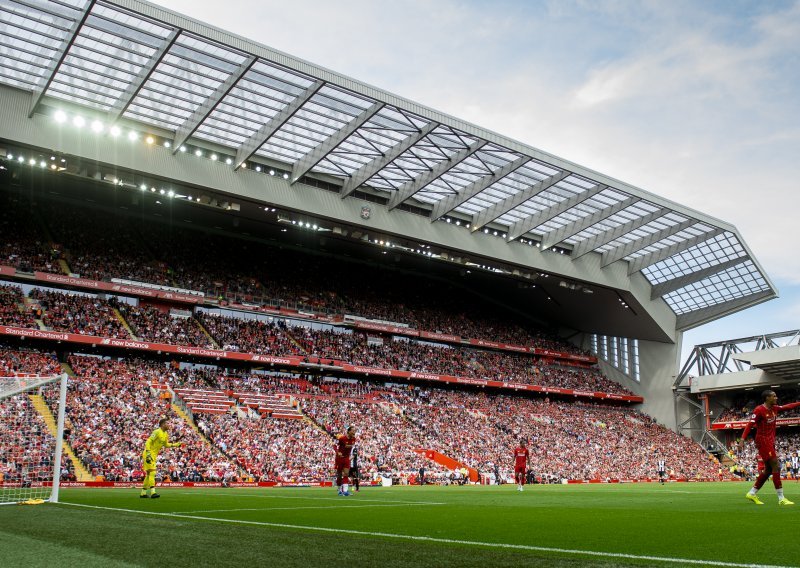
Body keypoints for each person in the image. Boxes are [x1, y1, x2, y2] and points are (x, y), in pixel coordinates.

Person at [738, 390, 800, 505]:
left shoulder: (774, 408)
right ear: (767, 398)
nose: (776, 398)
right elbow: (749, 425)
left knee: (768, 470)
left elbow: (787, 406)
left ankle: (751, 493)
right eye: (774, 396)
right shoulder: (759, 410)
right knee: (776, 465)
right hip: (762, 441)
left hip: (770, 441)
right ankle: (781, 498)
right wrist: (742, 440)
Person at [141, 417, 183, 499]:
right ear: (163, 424)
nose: (169, 425)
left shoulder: (165, 434)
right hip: (148, 454)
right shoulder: (157, 432)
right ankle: (153, 492)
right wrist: (149, 453)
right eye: (167, 423)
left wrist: (175, 445)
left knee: (149, 474)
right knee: (153, 472)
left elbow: (166, 444)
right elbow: (148, 441)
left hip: (153, 455)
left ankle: (143, 493)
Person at [334, 426, 356, 496]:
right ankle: (340, 490)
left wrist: (352, 456)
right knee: (339, 475)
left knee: (346, 473)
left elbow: (350, 447)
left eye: (354, 431)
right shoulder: (342, 438)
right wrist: (337, 452)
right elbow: (334, 445)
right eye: (353, 431)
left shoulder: (354, 439)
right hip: (339, 458)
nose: (354, 432)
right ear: (349, 431)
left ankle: (346, 491)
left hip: (346, 458)